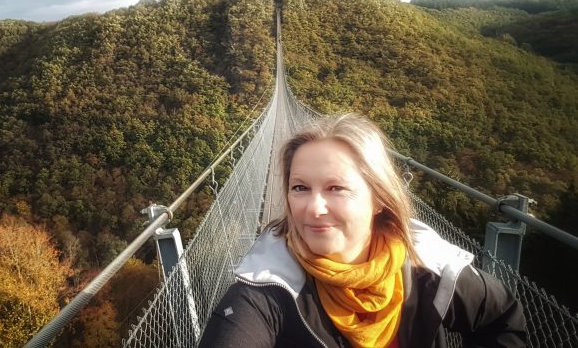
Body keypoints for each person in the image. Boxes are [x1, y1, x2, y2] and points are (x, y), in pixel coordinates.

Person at [198, 113, 526, 348]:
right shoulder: (265, 289)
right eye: (299, 188)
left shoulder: (427, 267)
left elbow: (500, 316)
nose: (313, 207)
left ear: (379, 199)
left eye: (336, 188)